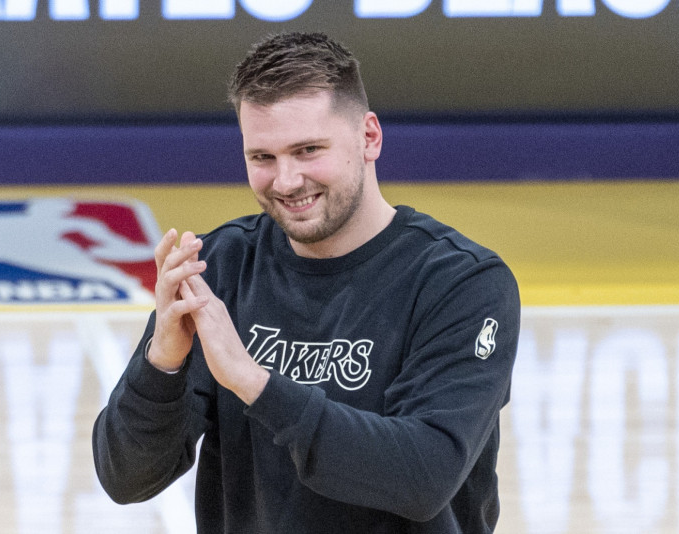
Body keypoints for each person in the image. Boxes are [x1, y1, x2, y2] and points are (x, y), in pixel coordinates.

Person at [92, 31, 520, 533]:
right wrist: (162, 362)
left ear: (369, 138)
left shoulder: (462, 283)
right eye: (262, 157)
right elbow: (127, 479)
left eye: (308, 150)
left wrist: (253, 382)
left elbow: (424, 475)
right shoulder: (221, 267)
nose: (287, 181)